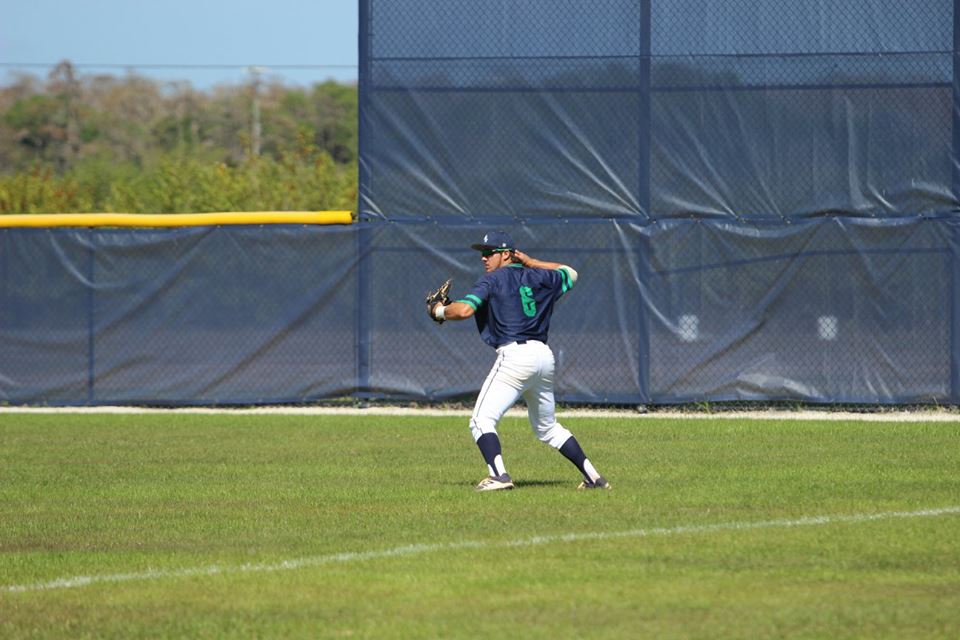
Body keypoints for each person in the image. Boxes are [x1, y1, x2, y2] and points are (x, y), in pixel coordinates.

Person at [428, 230, 611, 492]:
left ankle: (499, 476)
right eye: (482, 253)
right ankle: (594, 478)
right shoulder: (541, 276)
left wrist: (439, 311)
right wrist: (529, 261)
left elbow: (465, 310)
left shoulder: (492, 280)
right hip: (543, 357)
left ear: (505, 254)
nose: (484, 258)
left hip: (515, 356)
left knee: (481, 421)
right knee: (547, 427)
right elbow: (571, 273)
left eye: (489, 252)